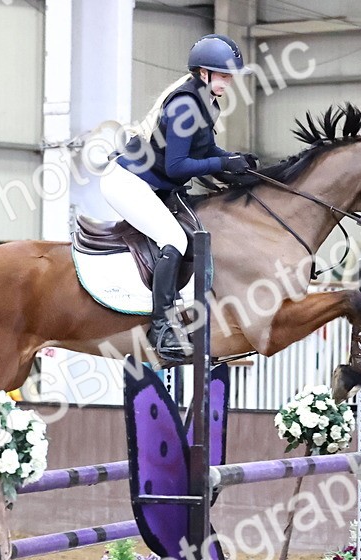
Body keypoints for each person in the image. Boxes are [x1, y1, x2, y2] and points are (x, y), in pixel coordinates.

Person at [101, 34, 257, 366]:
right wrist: (221, 164)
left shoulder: (206, 101)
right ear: (204, 73)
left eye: (231, 76)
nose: (229, 83)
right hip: (128, 182)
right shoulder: (185, 105)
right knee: (172, 238)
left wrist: (233, 159)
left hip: (157, 183)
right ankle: (160, 328)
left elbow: (202, 151)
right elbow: (177, 165)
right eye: (224, 75)